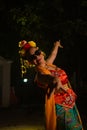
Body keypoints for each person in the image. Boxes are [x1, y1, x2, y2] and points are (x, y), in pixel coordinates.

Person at [18, 40, 84, 130]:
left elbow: (53, 54)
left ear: (40, 51)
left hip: (70, 102)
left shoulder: (49, 64)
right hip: (61, 107)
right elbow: (50, 78)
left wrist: (56, 45)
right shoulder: (40, 75)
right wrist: (56, 80)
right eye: (33, 57)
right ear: (30, 62)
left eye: (37, 53)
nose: (37, 57)